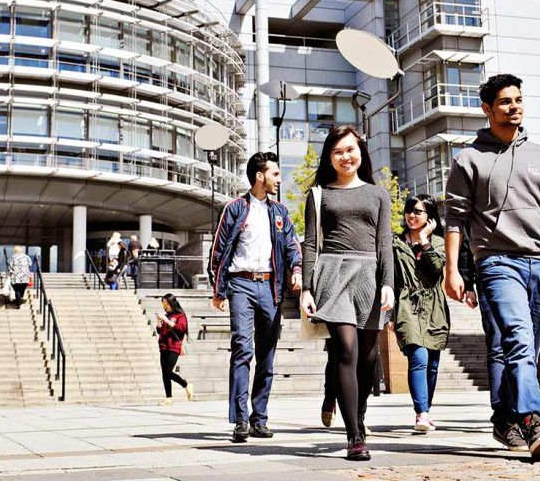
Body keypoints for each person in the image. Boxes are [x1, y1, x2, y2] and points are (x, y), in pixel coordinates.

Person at [443, 74, 540, 460]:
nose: (515, 106)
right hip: (496, 262)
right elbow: (455, 219)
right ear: (487, 108)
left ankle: (505, 417)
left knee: (527, 348)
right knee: (517, 340)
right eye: (506, 101)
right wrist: (452, 269)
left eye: (519, 100)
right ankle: (534, 421)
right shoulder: (468, 159)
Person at [300, 125, 394, 461]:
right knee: (346, 350)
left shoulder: (378, 193)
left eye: (350, 150)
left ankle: (360, 413)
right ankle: (354, 436)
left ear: (361, 153)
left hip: (369, 274)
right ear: (329, 156)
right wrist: (307, 288)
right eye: (338, 151)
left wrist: (388, 283)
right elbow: (311, 243)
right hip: (333, 275)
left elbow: (385, 242)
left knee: (368, 359)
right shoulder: (319, 194)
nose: (345, 157)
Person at [209, 151, 302, 443]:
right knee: (242, 350)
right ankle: (239, 420)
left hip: (270, 287)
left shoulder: (280, 212)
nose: (279, 179)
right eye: (275, 173)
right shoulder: (235, 209)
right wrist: (218, 289)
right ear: (260, 176)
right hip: (241, 284)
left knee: (267, 356)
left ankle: (259, 418)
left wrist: (297, 269)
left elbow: (291, 245)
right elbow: (219, 249)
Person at [392, 194, 450, 433]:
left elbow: (436, 268)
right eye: (409, 210)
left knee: (433, 365)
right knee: (418, 357)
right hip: (406, 304)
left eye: (418, 211)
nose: (412, 215)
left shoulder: (437, 242)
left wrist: (425, 241)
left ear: (430, 217)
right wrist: (389, 314)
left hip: (434, 306)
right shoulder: (394, 243)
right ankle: (421, 414)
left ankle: (426, 409)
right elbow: (389, 277)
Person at [155, 294, 193, 405]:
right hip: (163, 346)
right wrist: (159, 322)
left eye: (166, 303)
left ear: (172, 303)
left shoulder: (180, 315)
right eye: (163, 303)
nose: (165, 306)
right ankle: (169, 397)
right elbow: (160, 331)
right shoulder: (167, 315)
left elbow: (181, 329)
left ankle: (186, 385)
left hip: (173, 346)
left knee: (168, 371)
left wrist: (166, 320)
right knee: (164, 373)